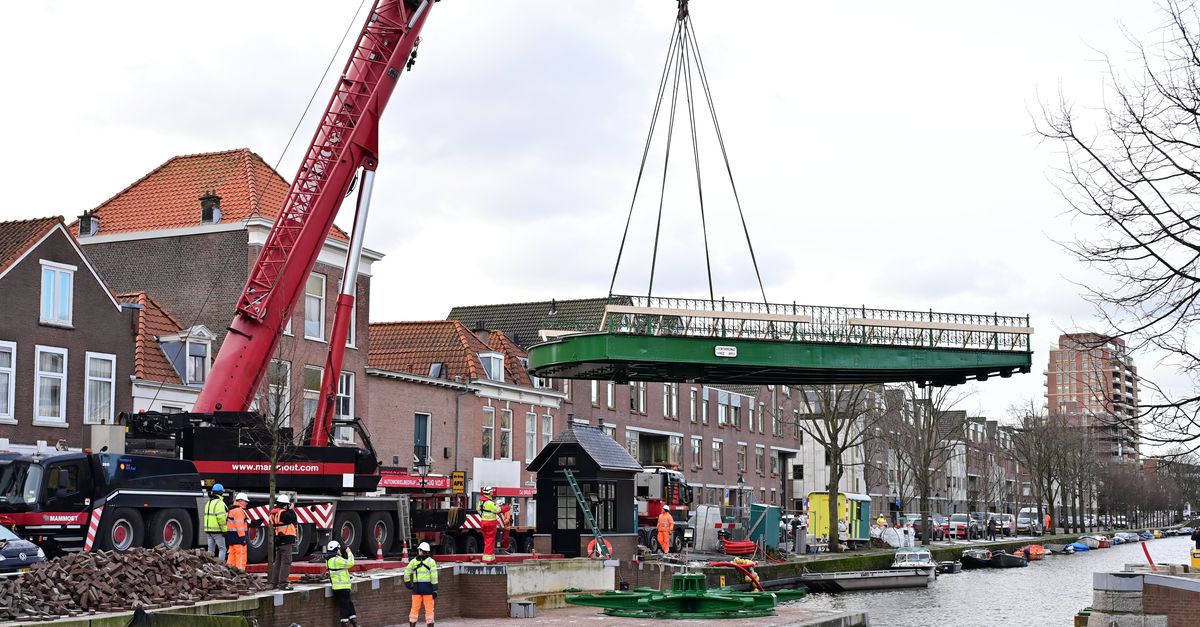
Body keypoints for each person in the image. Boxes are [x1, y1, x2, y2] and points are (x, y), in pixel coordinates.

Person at [403, 541, 438, 627]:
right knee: (429, 610)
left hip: (416, 589)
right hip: (428, 590)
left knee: (414, 609)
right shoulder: (431, 562)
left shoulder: (414, 562)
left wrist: (408, 584)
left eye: (419, 550)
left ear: (421, 550)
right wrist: (435, 589)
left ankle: (412, 625)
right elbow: (434, 576)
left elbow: (406, 573)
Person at [326, 540, 359, 626]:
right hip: (342, 586)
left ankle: (353, 621)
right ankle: (344, 623)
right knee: (345, 605)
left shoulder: (329, 560)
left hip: (337, 587)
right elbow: (351, 563)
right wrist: (349, 552)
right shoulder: (337, 560)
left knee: (349, 603)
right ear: (336, 549)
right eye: (339, 549)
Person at [269, 493, 298, 590]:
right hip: (286, 540)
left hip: (278, 540)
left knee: (278, 562)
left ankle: (274, 582)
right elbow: (294, 518)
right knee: (286, 562)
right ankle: (283, 583)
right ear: (285, 504)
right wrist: (292, 509)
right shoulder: (284, 513)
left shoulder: (273, 513)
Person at [478, 486, 509, 562]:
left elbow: (479, 510)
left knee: (487, 541)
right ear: (489, 493)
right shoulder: (490, 503)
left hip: (483, 522)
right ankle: (487, 560)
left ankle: (492, 559)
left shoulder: (480, 502)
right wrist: (507, 508)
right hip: (490, 524)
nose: (492, 493)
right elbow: (498, 510)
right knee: (490, 541)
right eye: (491, 492)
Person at [226, 493, 250, 570]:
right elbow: (239, 526)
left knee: (232, 554)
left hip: (231, 536)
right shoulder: (239, 511)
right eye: (245, 501)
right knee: (240, 554)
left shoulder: (232, 509)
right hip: (238, 536)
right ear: (240, 500)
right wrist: (243, 538)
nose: (246, 503)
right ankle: (240, 572)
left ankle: (229, 571)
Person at [204, 484, 228, 560]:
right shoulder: (220, 503)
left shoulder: (209, 502)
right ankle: (221, 566)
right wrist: (224, 530)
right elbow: (221, 518)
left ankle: (209, 567)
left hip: (209, 531)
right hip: (217, 531)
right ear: (221, 492)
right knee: (222, 549)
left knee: (210, 551)